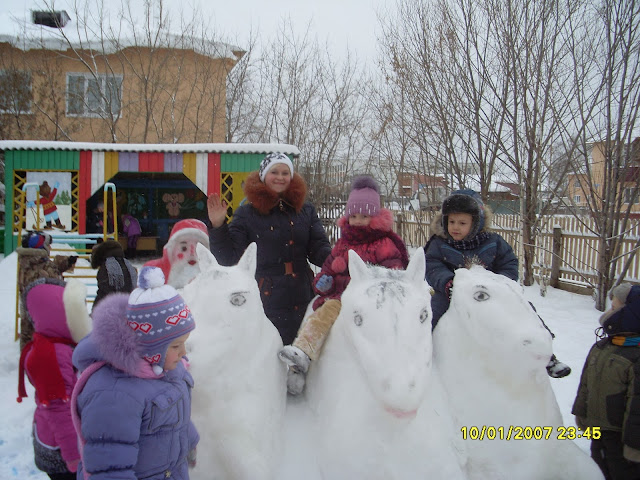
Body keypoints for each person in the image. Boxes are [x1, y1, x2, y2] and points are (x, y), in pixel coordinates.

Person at [278, 175, 409, 395]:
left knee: (333, 310)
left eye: (364, 216)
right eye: (354, 215)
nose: (357, 221)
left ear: (375, 216)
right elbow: (329, 267)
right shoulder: (344, 242)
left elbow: (392, 274)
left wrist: (358, 280)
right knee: (320, 311)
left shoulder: (384, 243)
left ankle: (306, 351)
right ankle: (301, 357)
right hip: (340, 297)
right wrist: (325, 281)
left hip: (370, 300)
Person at [424, 189, 571, 378]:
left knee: (525, 309)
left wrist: (501, 282)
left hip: (491, 293)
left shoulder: (493, 242)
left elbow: (509, 263)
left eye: (462, 223)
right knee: (432, 314)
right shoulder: (439, 243)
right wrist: (448, 283)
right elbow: (432, 266)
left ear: (476, 223)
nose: (455, 227)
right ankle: (425, 355)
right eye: (451, 222)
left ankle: (547, 356)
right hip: (452, 292)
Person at [71, 266, 199, 479]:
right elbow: (110, 469)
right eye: (176, 346)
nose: (184, 353)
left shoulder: (166, 369)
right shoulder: (113, 393)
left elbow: (176, 417)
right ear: (152, 347)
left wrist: (189, 441)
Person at [207, 152, 332, 345]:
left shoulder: (305, 211)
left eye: (285, 172)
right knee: (271, 352)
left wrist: (339, 260)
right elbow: (230, 259)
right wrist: (218, 226)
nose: (280, 177)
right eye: (274, 172)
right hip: (267, 297)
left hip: (303, 294)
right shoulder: (247, 213)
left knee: (304, 352)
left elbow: (319, 248)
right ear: (264, 176)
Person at [16, 277, 91, 480]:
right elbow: (59, 408)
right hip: (61, 452)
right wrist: (73, 457)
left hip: (63, 442)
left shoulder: (60, 346)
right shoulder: (51, 355)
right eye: (79, 313)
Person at [572, 283, 640, 480]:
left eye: (614, 308)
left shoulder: (635, 356)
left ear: (631, 314)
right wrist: (581, 413)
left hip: (623, 442)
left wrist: (634, 447)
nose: (609, 313)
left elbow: (637, 405)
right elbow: (586, 384)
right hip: (599, 432)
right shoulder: (603, 347)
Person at [17, 231, 78, 350]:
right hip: (42, 321)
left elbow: (49, 269)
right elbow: (52, 283)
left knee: (29, 347)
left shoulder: (31, 262)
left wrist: (65, 263)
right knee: (40, 350)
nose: (50, 247)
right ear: (41, 247)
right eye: (47, 245)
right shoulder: (41, 268)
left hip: (30, 317)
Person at [144, 218, 210, 289]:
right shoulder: (154, 271)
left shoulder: (217, 275)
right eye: (184, 248)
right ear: (171, 250)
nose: (192, 254)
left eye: (198, 249)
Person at [90, 239, 138, 309]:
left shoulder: (107, 267)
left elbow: (104, 292)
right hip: (130, 307)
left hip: (112, 309)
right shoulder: (128, 264)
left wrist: (95, 310)